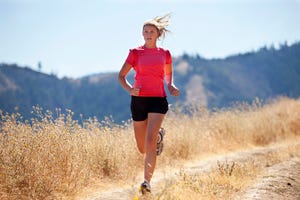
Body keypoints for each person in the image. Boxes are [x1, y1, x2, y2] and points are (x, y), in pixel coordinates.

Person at [118, 13, 179, 194]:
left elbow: (168, 77)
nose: (148, 34)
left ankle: (147, 182)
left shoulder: (165, 54)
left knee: (150, 141)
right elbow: (121, 76)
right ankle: (159, 136)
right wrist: (130, 90)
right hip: (139, 100)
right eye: (145, 31)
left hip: (158, 99)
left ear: (158, 34)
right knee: (142, 147)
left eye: (151, 31)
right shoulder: (135, 53)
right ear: (142, 34)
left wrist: (170, 85)